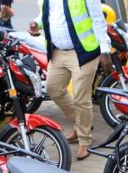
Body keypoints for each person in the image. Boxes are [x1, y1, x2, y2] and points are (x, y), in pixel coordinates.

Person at [29, 0, 112, 161]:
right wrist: (36, 23)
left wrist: (105, 50)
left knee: (82, 98)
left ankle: (84, 140)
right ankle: (80, 123)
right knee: (53, 89)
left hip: (83, 52)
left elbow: (97, 19)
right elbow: (48, 14)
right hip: (58, 52)